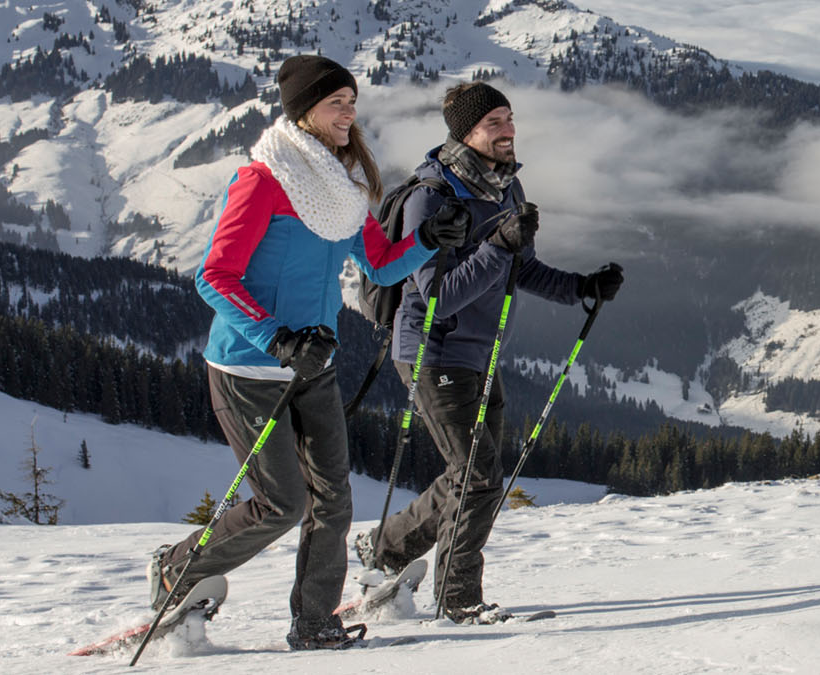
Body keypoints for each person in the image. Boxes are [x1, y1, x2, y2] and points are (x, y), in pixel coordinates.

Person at [154, 54, 469, 650]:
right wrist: (276, 336)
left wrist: (427, 241)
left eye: (352, 102)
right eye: (337, 103)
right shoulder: (262, 181)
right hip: (249, 367)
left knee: (334, 500)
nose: (350, 113)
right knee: (281, 503)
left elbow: (377, 263)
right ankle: (177, 569)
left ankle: (315, 621)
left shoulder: (342, 190)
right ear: (304, 112)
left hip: (312, 368)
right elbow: (213, 277)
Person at [353, 81, 624, 624]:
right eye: (495, 122)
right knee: (478, 475)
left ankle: (383, 548)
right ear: (466, 132)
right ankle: (458, 600)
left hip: (480, 352)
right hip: (432, 351)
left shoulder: (505, 189)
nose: (509, 130)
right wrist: (497, 244)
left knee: (470, 473)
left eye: (510, 118)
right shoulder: (433, 197)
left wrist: (580, 288)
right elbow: (437, 296)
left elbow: (518, 268)